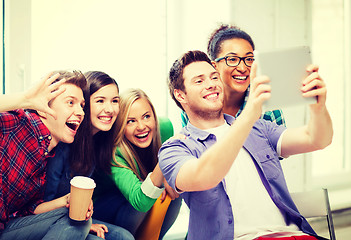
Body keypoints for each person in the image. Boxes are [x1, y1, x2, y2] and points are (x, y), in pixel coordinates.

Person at [159, 50, 333, 240]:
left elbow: (317, 139)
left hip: (295, 235)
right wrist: (250, 112)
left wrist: (318, 107)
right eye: (199, 81)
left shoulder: (258, 128)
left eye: (214, 77)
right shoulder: (174, 148)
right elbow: (205, 175)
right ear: (180, 95)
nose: (211, 84)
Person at [0, 71, 92, 240]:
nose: (80, 112)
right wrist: (25, 99)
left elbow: (28, 210)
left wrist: (66, 200)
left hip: (8, 227)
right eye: (70, 102)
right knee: (74, 220)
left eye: (82, 105)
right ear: (43, 109)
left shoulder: (46, 155)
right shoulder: (17, 124)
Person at [44, 71, 134, 240]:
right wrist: (85, 223)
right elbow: (41, 204)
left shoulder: (99, 140)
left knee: (124, 237)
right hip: (51, 220)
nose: (109, 109)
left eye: (115, 101)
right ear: (85, 105)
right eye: (100, 101)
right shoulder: (63, 142)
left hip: (78, 215)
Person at [93, 88, 182, 239]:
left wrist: (170, 175)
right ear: (120, 126)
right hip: (104, 207)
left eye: (146, 116)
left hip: (138, 198)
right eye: (130, 121)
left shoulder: (165, 128)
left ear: (154, 116)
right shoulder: (114, 153)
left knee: (174, 189)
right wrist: (164, 164)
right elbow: (139, 201)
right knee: (141, 196)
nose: (141, 126)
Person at [181, 24, 285, 127]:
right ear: (214, 66)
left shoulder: (267, 107)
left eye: (249, 59)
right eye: (232, 59)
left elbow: (282, 142)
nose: (243, 68)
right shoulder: (194, 103)